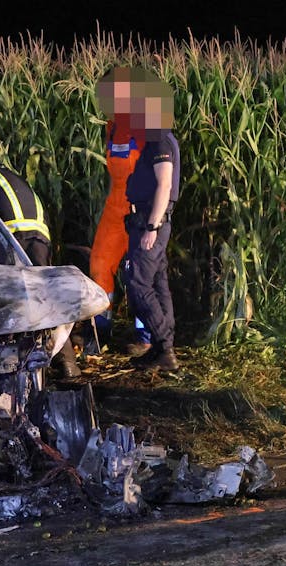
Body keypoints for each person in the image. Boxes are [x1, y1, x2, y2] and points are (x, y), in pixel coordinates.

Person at [0, 163, 79, 378]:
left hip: (6, 237)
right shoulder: (7, 176)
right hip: (39, 237)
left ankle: (13, 362)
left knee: (9, 300)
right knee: (44, 296)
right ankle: (67, 363)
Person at [89, 66, 154, 356]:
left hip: (140, 207)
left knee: (139, 272)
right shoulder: (111, 126)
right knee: (100, 263)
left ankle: (145, 335)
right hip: (115, 206)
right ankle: (99, 330)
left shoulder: (147, 125)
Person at [122, 67, 182, 373]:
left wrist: (152, 226)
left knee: (138, 282)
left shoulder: (159, 140)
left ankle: (163, 347)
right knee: (158, 284)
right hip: (150, 220)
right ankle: (162, 349)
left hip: (152, 221)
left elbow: (164, 184)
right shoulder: (158, 139)